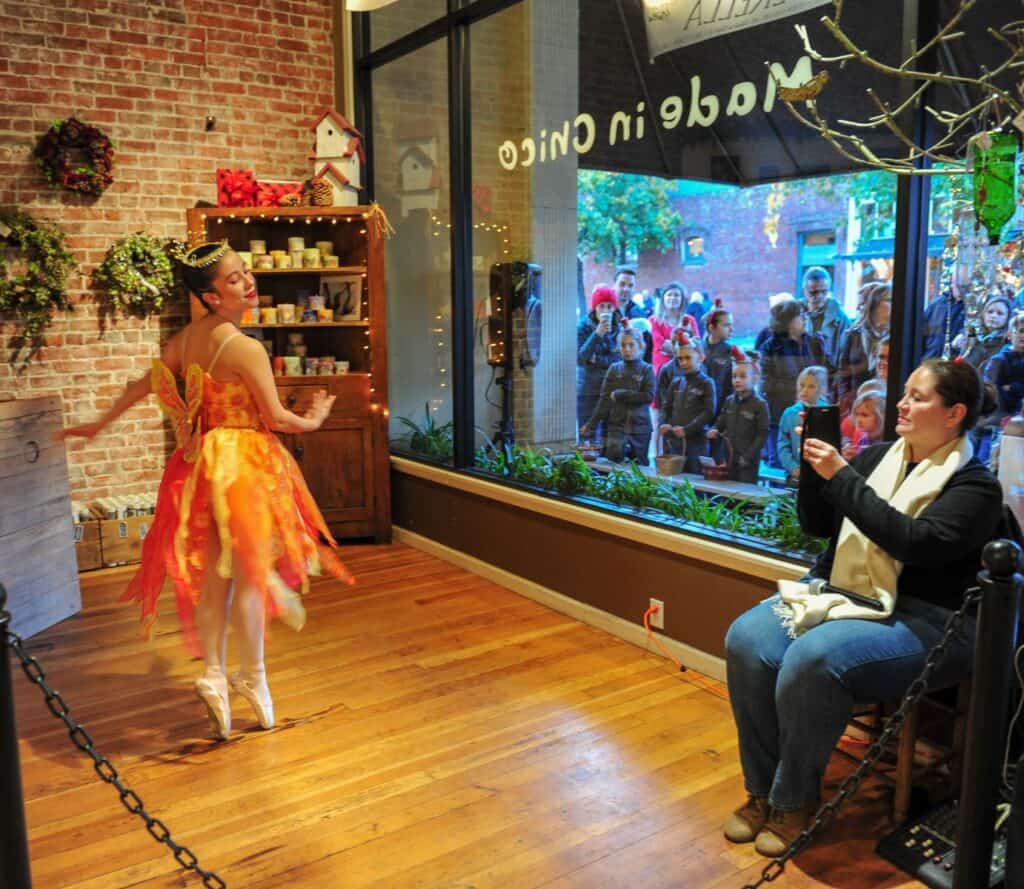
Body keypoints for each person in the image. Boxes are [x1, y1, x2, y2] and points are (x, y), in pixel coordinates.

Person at [61, 242, 353, 740]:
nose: (249, 282)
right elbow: (278, 420)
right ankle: (255, 681)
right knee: (248, 575)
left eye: (245, 272)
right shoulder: (245, 347)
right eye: (235, 279)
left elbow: (141, 386)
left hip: (199, 468)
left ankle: (215, 673)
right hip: (243, 467)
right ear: (210, 294)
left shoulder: (187, 340)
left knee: (215, 580)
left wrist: (97, 425)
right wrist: (318, 417)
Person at [723, 358, 1002, 857]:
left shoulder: (976, 487)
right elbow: (818, 526)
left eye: (918, 396)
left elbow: (915, 542)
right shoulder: (877, 459)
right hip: (847, 592)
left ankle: (793, 801)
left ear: (955, 412)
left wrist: (843, 477)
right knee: (747, 639)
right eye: (906, 393)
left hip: (932, 619)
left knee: (814, 660)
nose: (902, 402)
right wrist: (816, 475)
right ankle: (761, 791)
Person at [761, 299, 828, 468]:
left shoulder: (814, 342)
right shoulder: (771, 347)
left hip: (814, 412)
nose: (805, 318)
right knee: (779, 463)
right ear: (789, 322)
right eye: (801, 315)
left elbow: (827, 372)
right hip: (782, 414)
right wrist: (799, 391)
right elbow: (766, 384)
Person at [580, 321, 655, 465]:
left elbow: (648, 396)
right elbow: (604, 400)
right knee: (614, 469)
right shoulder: (614, 369)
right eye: (623, 345)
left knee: (639, 470)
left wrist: (622, 394)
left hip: (640, 429)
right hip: (616, 428)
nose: (627, 349)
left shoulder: (647, 369)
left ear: (640, 346)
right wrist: (591, 424)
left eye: (631, 345)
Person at [707, 348, 770, 483]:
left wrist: (748, 456)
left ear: (755, 378)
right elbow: (721, 420)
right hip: (728, 456)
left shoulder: (760, 404)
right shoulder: (729, 400)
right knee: (728, 492)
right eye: (734, 376)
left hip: (748, 460)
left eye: (742, 376)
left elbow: (762, 434)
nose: (737, 380)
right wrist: (715, 429)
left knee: (744, 495)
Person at [659, 332, 717, 473]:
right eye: (680, 359)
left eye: (688, 358)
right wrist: (664, 423)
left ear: (701, 357)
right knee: (675, 481)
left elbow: (709, 412)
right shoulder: (676, 382)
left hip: (697, 443)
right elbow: (666, 408)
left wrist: (687, 430)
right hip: (675, 442)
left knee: (694, 481)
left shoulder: (707, 383)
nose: (683, 363)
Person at [835, 282, 892, 415]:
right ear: (875, 304)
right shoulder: (854, 334)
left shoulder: (897, 335)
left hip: (884, 405)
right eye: (889, 300)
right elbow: (843, 371)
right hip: (857, 404)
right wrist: (845, 397)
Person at [577, 285, 622, 443]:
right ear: (594, 307)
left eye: (609, 306)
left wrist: (598, 360)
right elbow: (582, 358)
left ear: (614, 308)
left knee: (608, 438)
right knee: (587, 435)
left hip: (612, 390)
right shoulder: (583, 327)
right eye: (601, 306)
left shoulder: (620, 327)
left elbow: (620, 359)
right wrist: (597, 334)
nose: (605, 310)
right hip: (588, 389)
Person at [777, 366, 829, 485]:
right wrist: (793, 468)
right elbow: (782, 444)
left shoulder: (827, 411)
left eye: (811, 386)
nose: (805, 390)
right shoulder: (789, 414)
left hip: (821, 474)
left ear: (820, 389)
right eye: (802, 385)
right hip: (795, 475)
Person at [799, 267, 850, 369]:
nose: (819, 296)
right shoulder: (795, 314)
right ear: (804, 291)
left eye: (824, 292)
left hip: (830, 375)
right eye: (814, 292)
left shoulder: (840, 317)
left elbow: (846, 351)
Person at [984, 310, 1024, 421]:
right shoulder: (999, 361)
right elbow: (992, 392)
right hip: (1001, 420)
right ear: (1009, 335)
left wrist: (1012, 387)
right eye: (1021, 331)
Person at [959, 293, 1013, 371]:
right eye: (990, 312)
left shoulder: (1008, 343)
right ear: (983, 314)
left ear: (1007, 318)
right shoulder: (972, 336)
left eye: (1000, 313)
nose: (993, 316)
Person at [922, 270, 966, 360]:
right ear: (951, 284)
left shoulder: (974, 307)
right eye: (958, 286)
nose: (961, 291)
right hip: (931, 360)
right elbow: (921, 335)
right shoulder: (936, 305)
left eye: (965, 287)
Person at [842, 389, 886, 459]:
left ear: (880, 416)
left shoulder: (885, 443)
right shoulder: (864, 438)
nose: (858, 420)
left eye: (864, 415)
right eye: (857, 414)